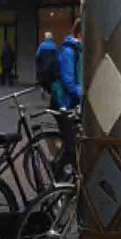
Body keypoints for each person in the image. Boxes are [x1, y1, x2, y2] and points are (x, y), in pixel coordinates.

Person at [51, 19, 82, 171]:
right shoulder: (69, 51)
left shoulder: (80, 50)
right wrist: (83, 94)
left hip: (73, 103)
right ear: (80, 33)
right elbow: (68, 81)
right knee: (71, 147)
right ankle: (56, 176)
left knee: (78, 143)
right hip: (63, 103)